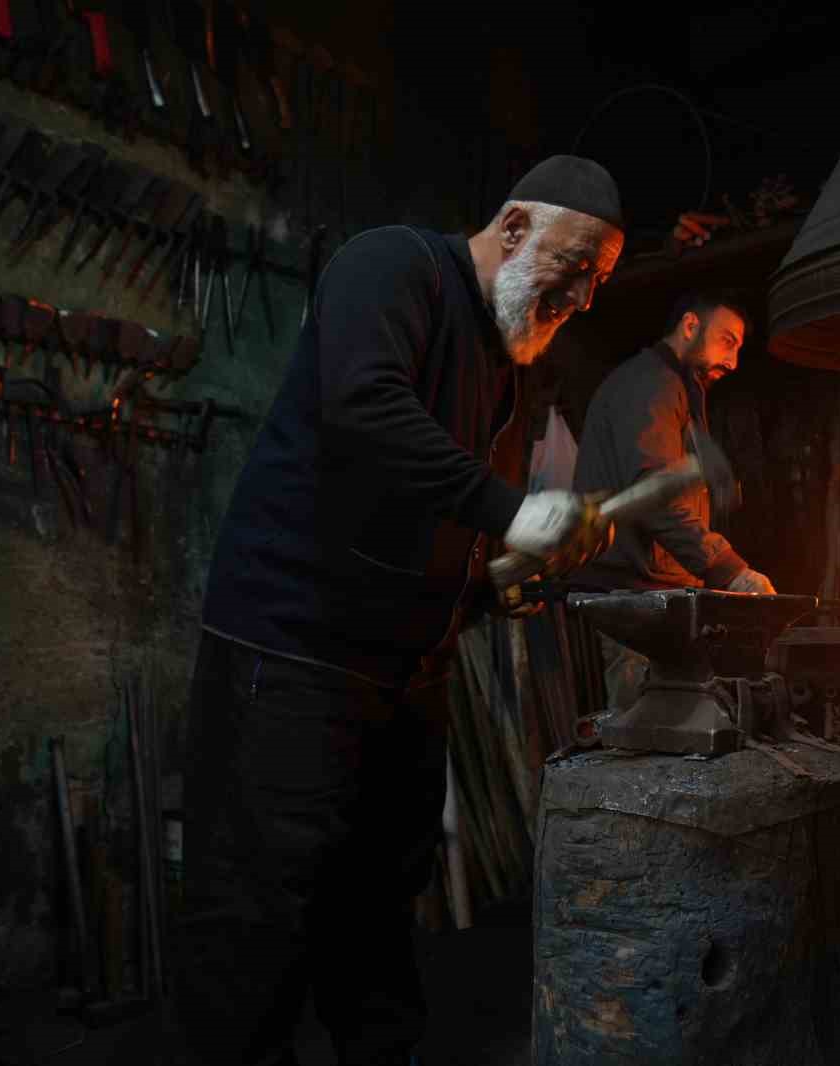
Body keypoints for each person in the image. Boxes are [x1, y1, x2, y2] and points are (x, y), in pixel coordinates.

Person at [173, 156, 625, 1066]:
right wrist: (514, 513)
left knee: (376, 923)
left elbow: (427, 519)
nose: (578, 298)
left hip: (402, 680)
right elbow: (364, 411)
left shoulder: (499, 369)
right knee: (256, 928)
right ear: (513, 228)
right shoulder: (393, 268)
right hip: (294, 656)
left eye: (596, 284)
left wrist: (492, 585)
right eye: (573, 267)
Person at [570, 291, 775, 713]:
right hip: (634, 604)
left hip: (655, 598)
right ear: (689, 327)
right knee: (645, 744)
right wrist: (731, 570)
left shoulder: (676, 391)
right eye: (727, 341)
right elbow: (654, 495)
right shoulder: (651, 386)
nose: (733, 361)